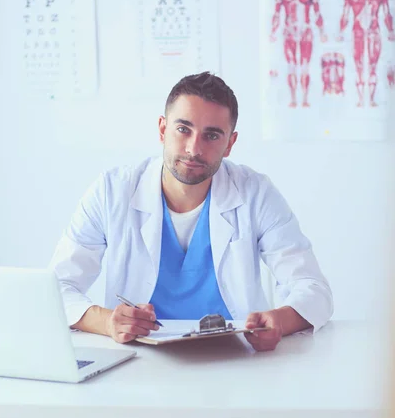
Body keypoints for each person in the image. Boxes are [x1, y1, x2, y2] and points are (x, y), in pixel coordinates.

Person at [49, 71, 333, 352]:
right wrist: (108, 321)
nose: (193, 149)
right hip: (137, 360)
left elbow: (313, 289)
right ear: (162, 129)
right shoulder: (111, 191)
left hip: (235, 360)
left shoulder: (255, 193)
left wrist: (279, 321)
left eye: (211, 135)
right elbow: (55, 289)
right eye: (183, 129)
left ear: (230, 144)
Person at [337, 0, 395, 107]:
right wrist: (341, 31)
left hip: (374, 31)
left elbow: (387, 13)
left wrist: (391, 30)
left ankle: (372, 98)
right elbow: (345, 14)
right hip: (357, 31)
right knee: (358, 65)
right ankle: (361, 98)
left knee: (373, 65)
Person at [270, 0, 328, 108]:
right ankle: (293, 98)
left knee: (304, 66)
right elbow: (276, 14)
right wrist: (273, 32)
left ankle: (305, 98)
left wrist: (321, 32)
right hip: (289, 31)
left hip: (306, 31)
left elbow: (317, 13)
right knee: (291, 65)